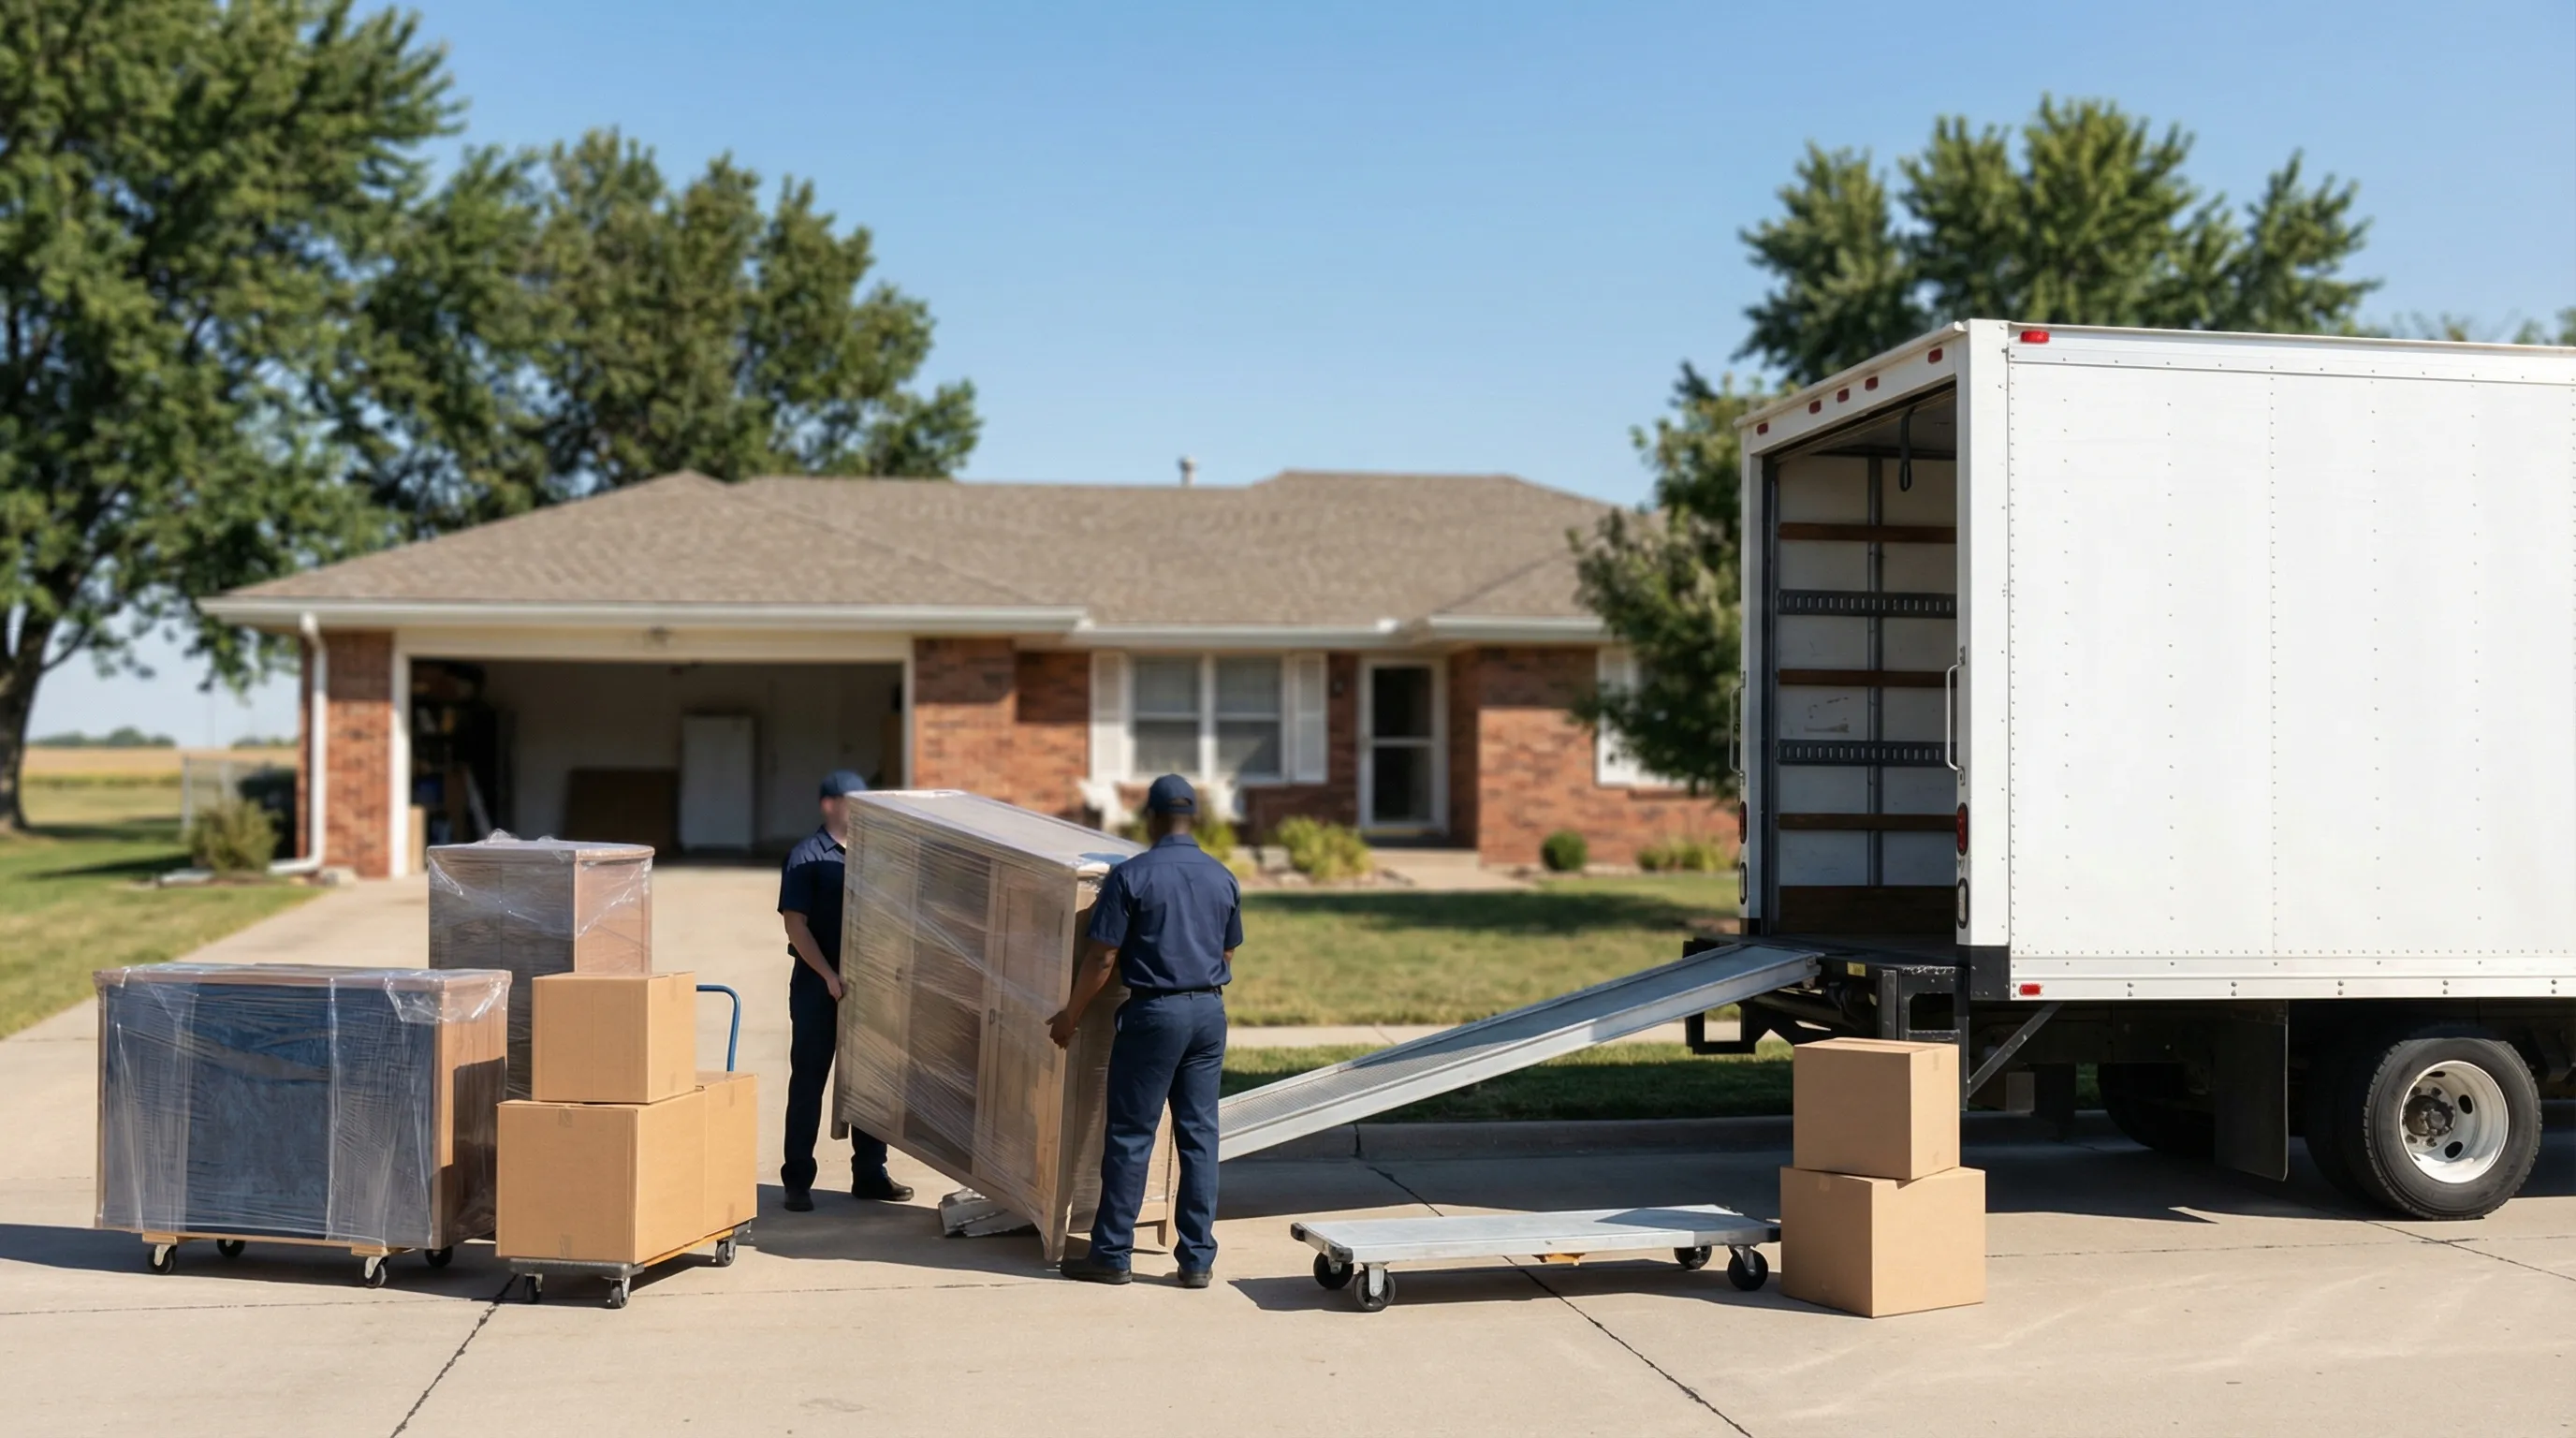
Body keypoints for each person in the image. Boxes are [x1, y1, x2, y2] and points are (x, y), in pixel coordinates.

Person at [1049, 773, 1241, 1287]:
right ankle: (1197, 1258)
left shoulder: (1132, 876)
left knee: (1133, 1134)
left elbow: (1103, 956)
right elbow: (1227, 951)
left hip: (1155, 1014)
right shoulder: (1222, 876)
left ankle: (1112, 1254)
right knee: (1199, 1135)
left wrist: (1071, 1015)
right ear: (1193, 818)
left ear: (1151, 818)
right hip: (1208, 1013)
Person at [777, 769, 913, 1212]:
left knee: (871, 1083)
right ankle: (797, 1179)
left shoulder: (876, 856)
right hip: (819, 988)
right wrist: (828, 976)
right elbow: (795, 925)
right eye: (854, 801)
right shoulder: (806, 856)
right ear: (831, 804)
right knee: (809, 1082)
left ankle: (870, 1173)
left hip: (869, 988)